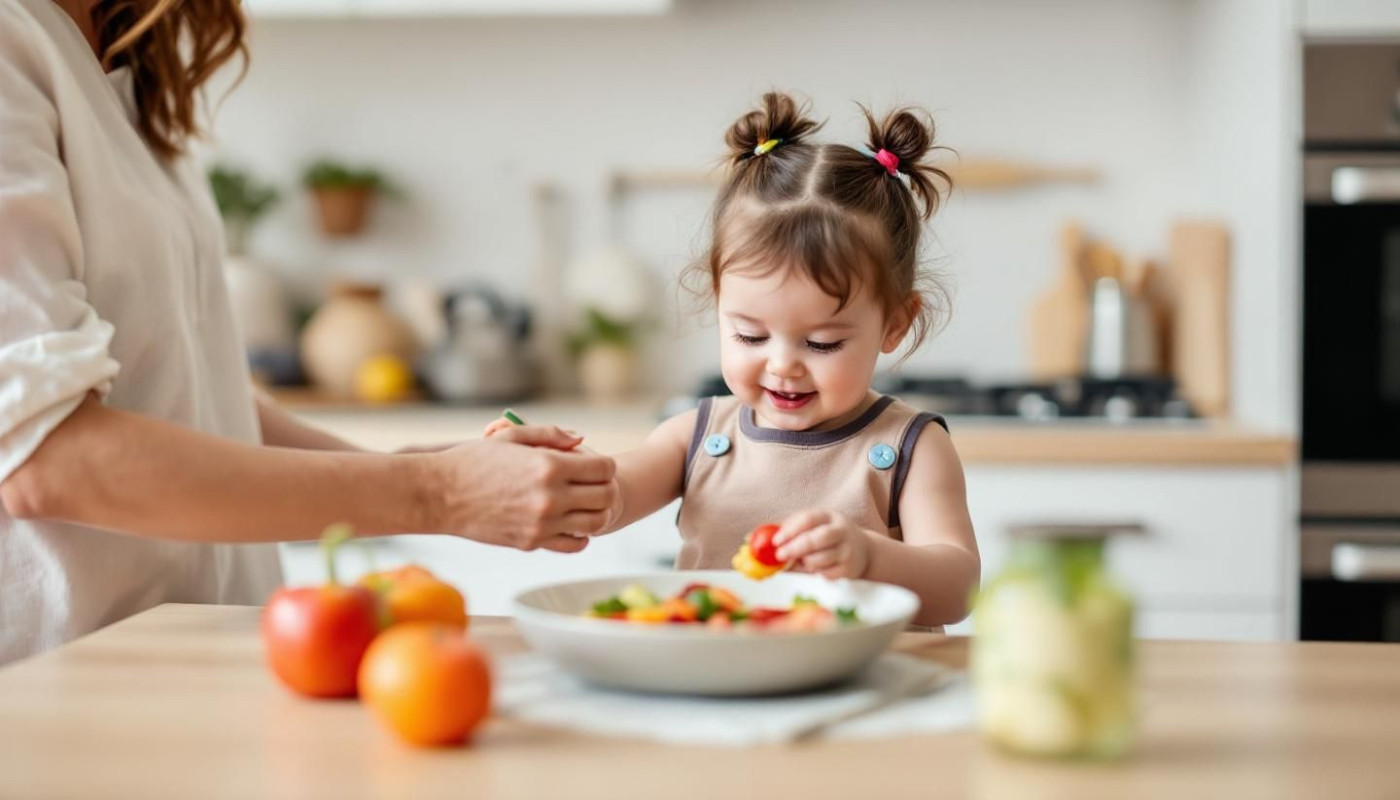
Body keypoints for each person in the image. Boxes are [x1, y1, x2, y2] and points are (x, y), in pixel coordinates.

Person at [0, 0, 618, 665]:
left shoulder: (128, 58)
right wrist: (440, 493)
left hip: (202, 663)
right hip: (61, 688)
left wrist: (410, 470)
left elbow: (194, 390)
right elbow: (47, 455)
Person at [489, 93, 979, 628]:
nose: (783, 365)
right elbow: (610, 497)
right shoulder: (695, 436)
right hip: (711, 679)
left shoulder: (911, 447)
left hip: (866, 685)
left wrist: (869, 558)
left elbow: (958, 588)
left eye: (821, 344)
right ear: (718, 305)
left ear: (894, 324)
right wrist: (549, 475)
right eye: (750, 335)